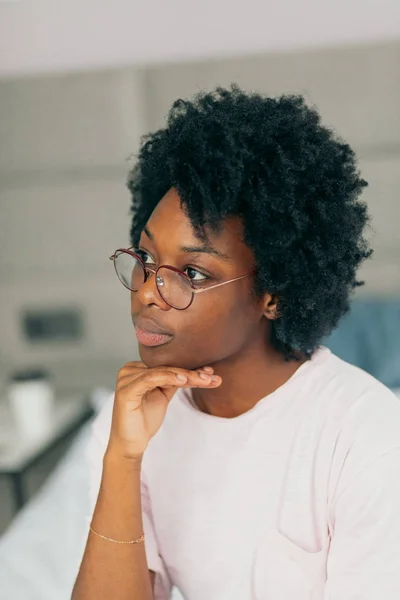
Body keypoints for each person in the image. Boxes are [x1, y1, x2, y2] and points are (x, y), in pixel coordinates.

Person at [72, 85, 400, 600]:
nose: (150, 293)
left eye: (194, 274)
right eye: (146, 259)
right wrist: (122, 460)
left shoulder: (368, 439)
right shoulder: (129, 428)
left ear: (273, 294)